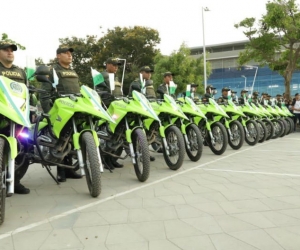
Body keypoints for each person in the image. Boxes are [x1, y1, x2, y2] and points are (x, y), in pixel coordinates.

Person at [39, 47, 82, 182]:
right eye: (66, 53)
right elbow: (44, 93)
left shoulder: (73, 71)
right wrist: (49, 113)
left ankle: (69, 169)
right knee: (60, 140)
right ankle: (61, 171)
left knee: (70, 140)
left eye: (71, 53)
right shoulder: (53, 71)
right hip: (60, 112)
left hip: (74, 110)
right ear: (58, 56)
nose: (70, 55)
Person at [0, 41, 30, 194]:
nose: (10, 52)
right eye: (5, 50)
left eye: (12, 50)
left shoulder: (21, 72)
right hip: (1, 113)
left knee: (26, 146)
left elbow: (28, 92)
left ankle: (15, 180)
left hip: (18, 115)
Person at [95, 57, 124, 170]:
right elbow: (97, 92)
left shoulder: (116, 78)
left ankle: (113, 158)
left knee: (117, 135)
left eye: (117, 65)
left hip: (118, 109)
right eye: (114, 65)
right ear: (107, 65)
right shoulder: (100, 76)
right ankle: (105, 159)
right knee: (108, 135)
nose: (116, 67)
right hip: (107, 108)